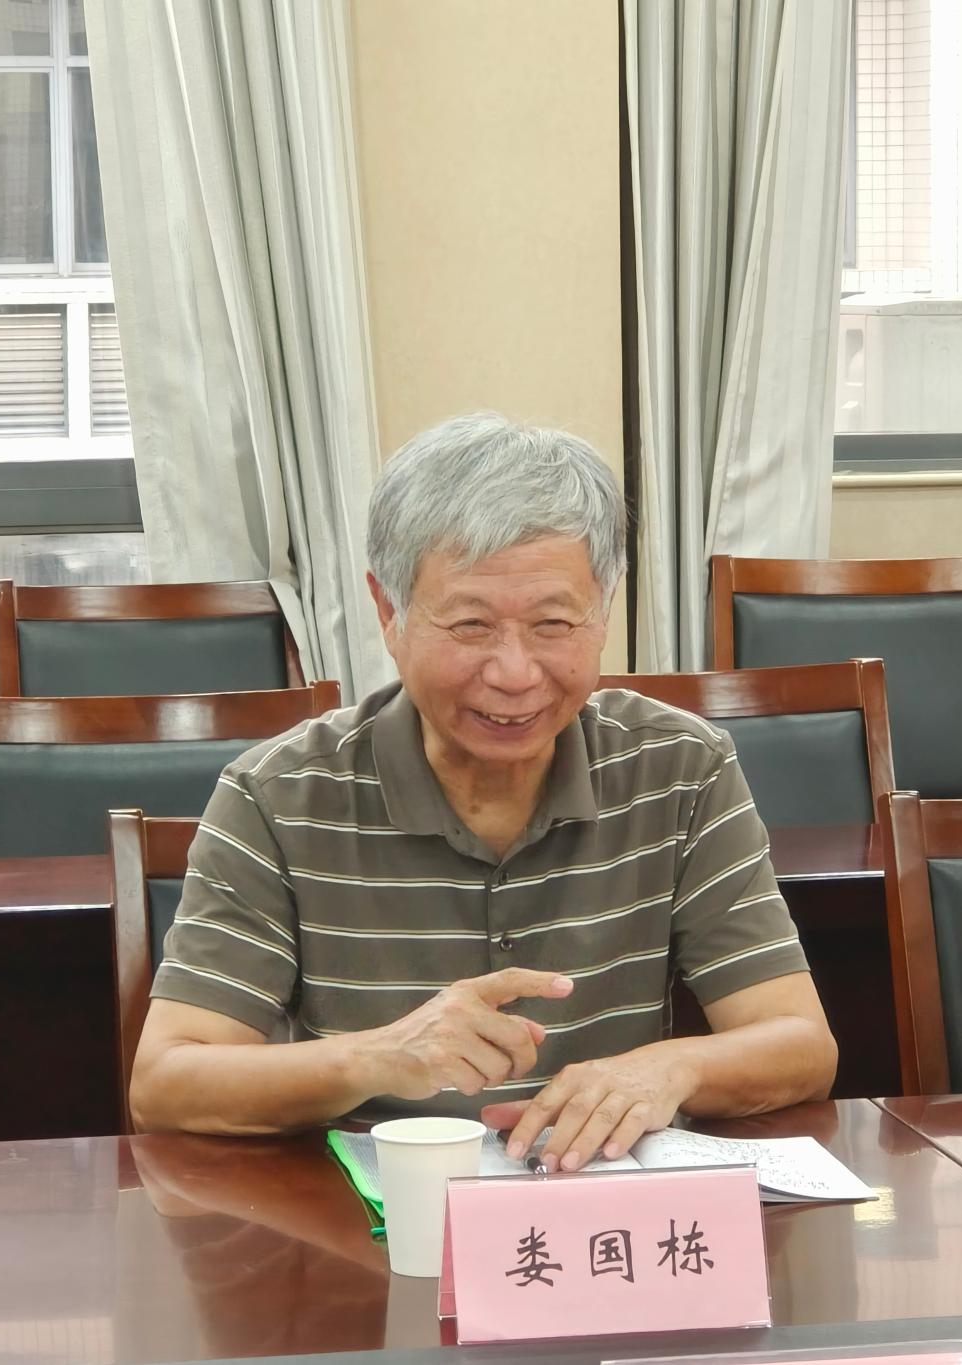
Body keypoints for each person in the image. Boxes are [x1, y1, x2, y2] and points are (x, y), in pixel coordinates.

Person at [132, 413, 837, 1168]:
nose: (515, 673)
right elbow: (166, 1084)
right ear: (389, 612)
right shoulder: (276, 796)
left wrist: (670, 1067)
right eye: (470, 625)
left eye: (553, 623)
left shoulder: (681, 768)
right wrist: (378, 1056)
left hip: (604, 1207)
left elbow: (801, 1046)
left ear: (603, 610)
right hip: (374, 1213)